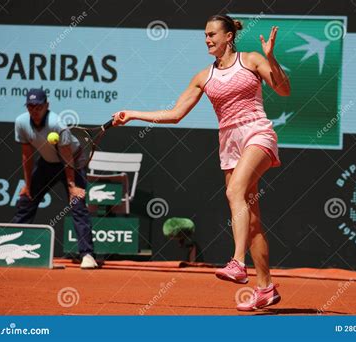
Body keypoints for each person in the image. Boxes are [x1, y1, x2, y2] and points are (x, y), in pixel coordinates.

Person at [112, 15, 290, 310]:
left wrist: (272, 60)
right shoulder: (204, 76)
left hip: (258, 133)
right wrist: (132, 114)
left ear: (229, 36)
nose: (207, 39)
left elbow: (284, 90)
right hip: (229, 145)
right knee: (253, 220)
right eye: (205, 35)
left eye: (212, 34)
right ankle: (265, 287)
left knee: (234, 193)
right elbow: (175, 113)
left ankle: (237, 262)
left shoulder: (252, 60)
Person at [12, 88, 98, 269]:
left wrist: (72, 186)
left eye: (38, 107)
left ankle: (87, 255)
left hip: (72, 161)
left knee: (77, 203)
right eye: (30, 106)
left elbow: (67, 158)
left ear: (46, 106)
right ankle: (13, 246)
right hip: (47, 162)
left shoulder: (57, 124)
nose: (34, 111)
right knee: (26, 200)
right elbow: (27, 156)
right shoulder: (21, 122)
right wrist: (28, 185)